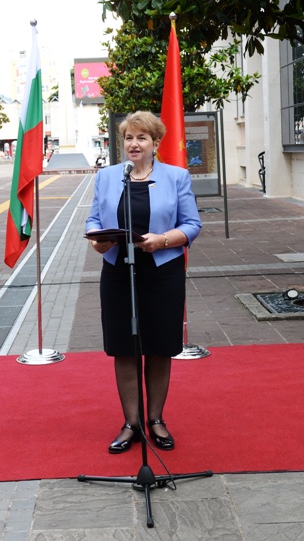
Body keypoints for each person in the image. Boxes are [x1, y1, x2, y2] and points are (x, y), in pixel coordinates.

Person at [86, 111, 202, 453]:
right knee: (124, 346)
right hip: (118, 270)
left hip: (161, 271)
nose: (134, 144)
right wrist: (97, 239)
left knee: (159, 345)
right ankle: (130, 423)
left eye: (141, 138)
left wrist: (163, 240)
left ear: (155, 143)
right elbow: (94, 217)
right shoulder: (108, 177)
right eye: (128, 138)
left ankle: (155, 420)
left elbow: (192, 224)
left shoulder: (176, 177)